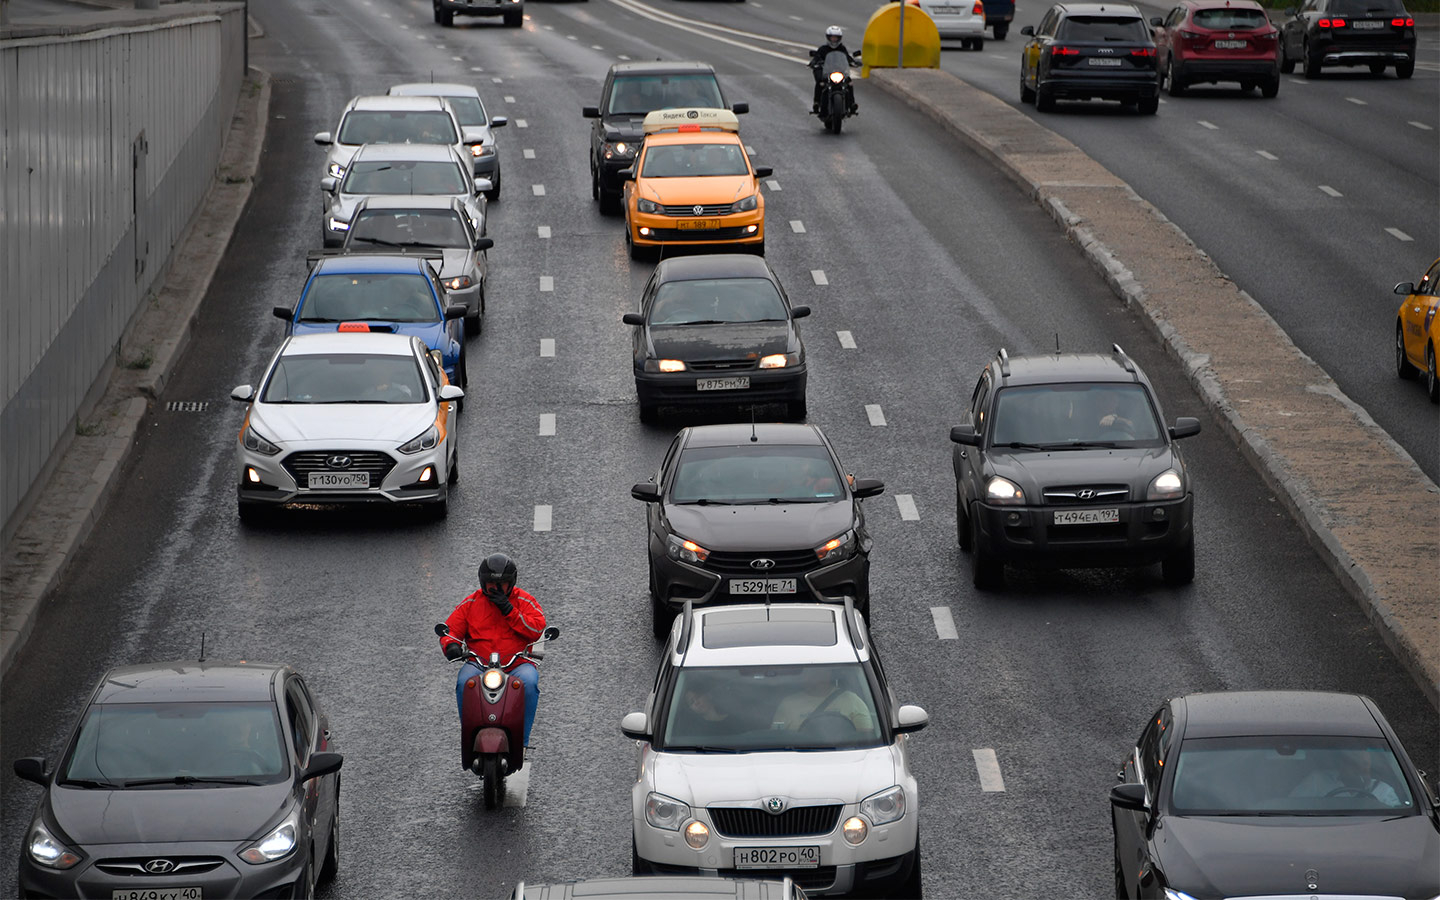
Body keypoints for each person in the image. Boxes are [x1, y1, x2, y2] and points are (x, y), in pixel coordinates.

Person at [439, 553, 547, 747]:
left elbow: (536, 629)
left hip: (517, 663)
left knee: (530, 683)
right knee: (464, 683)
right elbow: (451, 630)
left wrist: (509, 611)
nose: (495, 589)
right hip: (479, 664)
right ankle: (469, 738)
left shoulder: (525, 601)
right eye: (490, 584)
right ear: (482, 582)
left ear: (511, 583)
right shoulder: (471, 603)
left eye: (501, 584)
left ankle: (522, 743)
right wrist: (451, 645)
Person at [772, 666, 875, 735]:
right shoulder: (788, 704)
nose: (815, 676)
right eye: (810, 672)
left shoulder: (851, 700)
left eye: (820, 671)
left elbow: (866, 736)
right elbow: (776, 737)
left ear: (829, 674)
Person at [1289, 749, 1404, 807]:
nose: (1360, 771)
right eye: (1354, 765)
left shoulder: (1383, 790)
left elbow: (1398, 819)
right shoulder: (1318, 781)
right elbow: (1292, 805)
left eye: (1364, 765)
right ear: (1341, 764)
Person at [810, 25, 860, 113]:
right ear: (828, 38)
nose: (834, 40)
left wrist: (854, 62)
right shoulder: (823, 49)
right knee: (820, 82)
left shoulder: (842, 48)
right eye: (832, 37)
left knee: (849, 83)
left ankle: (852, 104)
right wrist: (814, 63)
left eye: (836, 38)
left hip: (839, 70)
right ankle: (816, 103)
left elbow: (847, 57)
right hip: (826, 71)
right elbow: (816, 57)